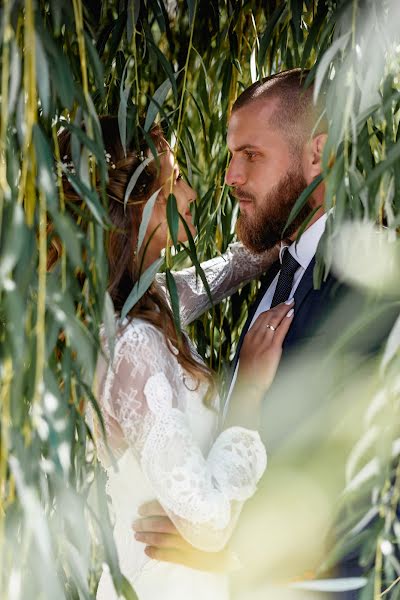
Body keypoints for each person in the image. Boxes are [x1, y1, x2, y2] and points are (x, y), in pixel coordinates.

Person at [132, 70, 398, 599]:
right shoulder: (280, 270)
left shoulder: (374, 284)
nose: (229, 177)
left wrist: (234, 553)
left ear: (317, 156)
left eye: (251, 155)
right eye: (232, 156)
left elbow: (374, 498)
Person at [54, 116, 295, 600]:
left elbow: (233, 268)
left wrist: (299, 214)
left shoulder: (146, 303)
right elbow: (208, 521)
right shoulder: (133, 343)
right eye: (177, 179)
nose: (191, 194)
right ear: (138, 205)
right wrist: (248, 388)